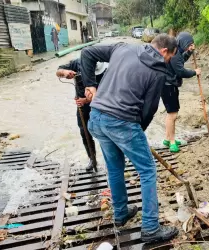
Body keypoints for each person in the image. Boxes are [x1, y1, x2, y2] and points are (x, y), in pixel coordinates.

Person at [81, 34, 179, 243]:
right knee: (147, 170)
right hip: (122, 122)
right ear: (164, 52)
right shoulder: (158, 71)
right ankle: (151, 228)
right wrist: (136, 133)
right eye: (170, 57)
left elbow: (87, 53)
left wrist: (90, 85)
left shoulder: (123, 47)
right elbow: (149, 109)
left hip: (96, 117)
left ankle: (120, 213)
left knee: (115, 167)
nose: (169, 61)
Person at [56, 59, 108, 172]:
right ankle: (92, 158)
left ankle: (111, 160)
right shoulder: (78, 63)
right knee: (85, 133)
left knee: (106, 133)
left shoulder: (107, 71)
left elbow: (110, 94)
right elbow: (58, 71)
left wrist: (86, 100)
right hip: (83, 108)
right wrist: (65, 72)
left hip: (103, 107)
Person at [162, 32, 201, 153]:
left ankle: (168, 139)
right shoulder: (174, 54)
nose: (190, 46)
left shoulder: (175, 50)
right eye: (189, 44)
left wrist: (189, 52)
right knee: (172, 115)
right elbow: (181, 71)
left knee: (171, 114)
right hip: (169, 87)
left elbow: (180, 60)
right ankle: (172, 142)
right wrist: (195, 72)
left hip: (167, 85)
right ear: (183, 43)